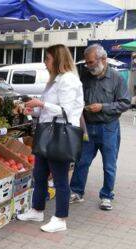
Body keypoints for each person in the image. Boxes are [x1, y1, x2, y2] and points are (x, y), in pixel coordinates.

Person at [17, 44, 84, 233]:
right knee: (39, 174)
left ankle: (61, 218)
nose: (45, 63)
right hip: (47, 133)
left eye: (47, 59)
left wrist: (42, 103)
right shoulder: (55, 81)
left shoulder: (68, 80)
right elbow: (47, 110)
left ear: (57, 58)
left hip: (60, 135)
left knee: (60, 178)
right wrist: (34, 109)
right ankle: (37, 209)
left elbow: (66, 110)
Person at [69, 44, 131, 211]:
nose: (88, 66)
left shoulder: (117, 78)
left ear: (103, 59)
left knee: (109, 164)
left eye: (91, 62)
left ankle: (106, 195)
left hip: (108, 128)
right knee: (82, 161)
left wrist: (103, 107)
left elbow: (125, 103)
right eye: (87, 63)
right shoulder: (85, 76)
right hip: (88, 127)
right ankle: (76, 191)